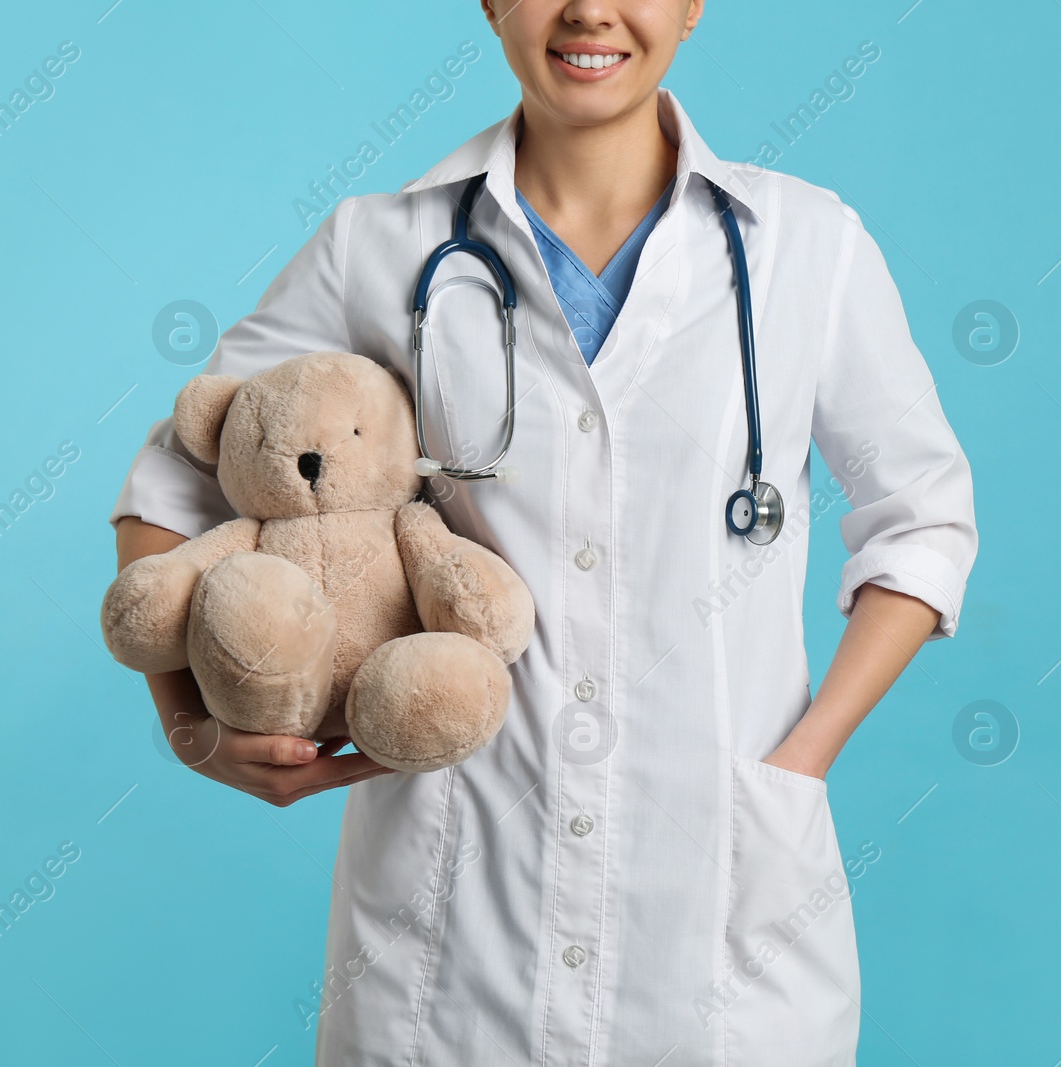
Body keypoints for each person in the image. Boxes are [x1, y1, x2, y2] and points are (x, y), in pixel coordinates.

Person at [109, 1, 977, 1063]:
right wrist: (191, 719)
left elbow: (922, 514)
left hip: (719, 914)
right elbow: (174, 473)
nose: (587, 10)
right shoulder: (380, 245)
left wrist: (800, 758)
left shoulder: (805, 245)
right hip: (450, 936)